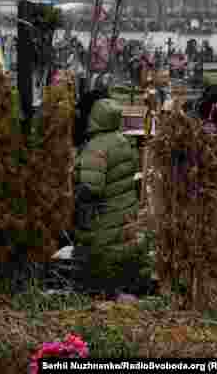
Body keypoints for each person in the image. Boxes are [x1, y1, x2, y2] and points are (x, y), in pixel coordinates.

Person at [74, 97, 143, 294]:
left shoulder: (96, 147)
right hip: (124, 212)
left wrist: (73, 196)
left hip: (104, 217)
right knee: (121, 253)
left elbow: (91, 188)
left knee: (103, 261)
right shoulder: (123, 141)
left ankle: (104, 292)